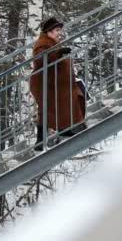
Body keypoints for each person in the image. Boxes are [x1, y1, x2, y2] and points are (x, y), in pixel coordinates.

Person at [29, 17, 87, 151]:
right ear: (48, 31)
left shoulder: (52, 41)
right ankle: (40, 141)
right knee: (47, 110)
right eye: (56, 30)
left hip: (56, 84)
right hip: (45, 83)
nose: (59, 33)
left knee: (63, 105)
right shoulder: (43, 42)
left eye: (59, 30)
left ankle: (65, 129)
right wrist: (59, 52)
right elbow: (40, 59)